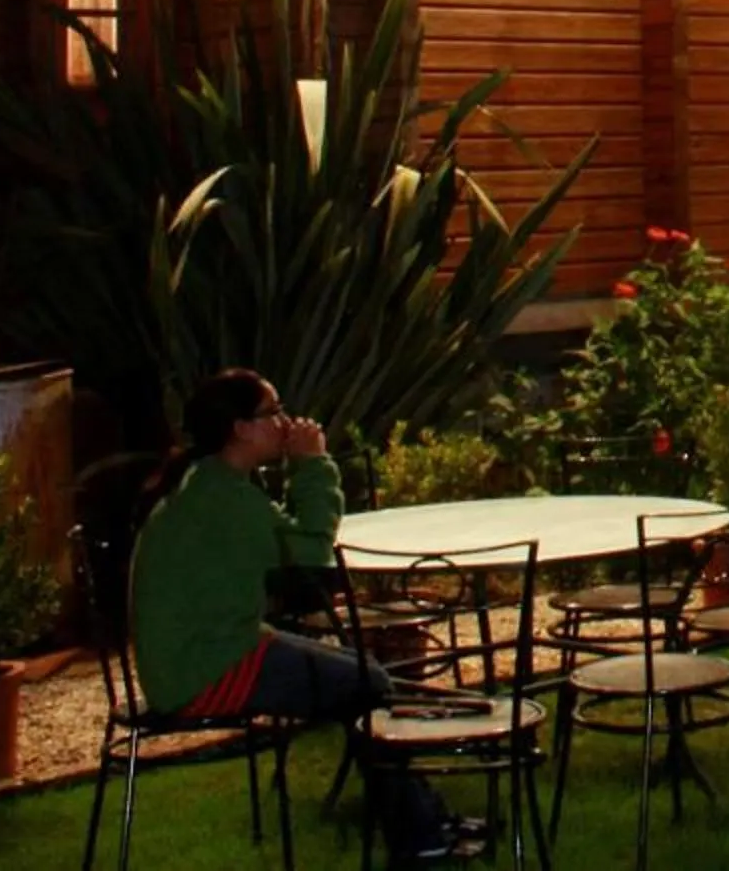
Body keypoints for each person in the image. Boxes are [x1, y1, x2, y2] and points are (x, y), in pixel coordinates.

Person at [131, 369, 476, 862]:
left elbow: (284, 543)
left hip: (211, 650)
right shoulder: (223, 500)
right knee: (366, 683)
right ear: (240, 428)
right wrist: (313, 465)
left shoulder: (211, 486)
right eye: (272, 412)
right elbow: (312, 552)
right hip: (203, 669)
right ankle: (421, 836)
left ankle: (423, 824)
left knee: (360, 676)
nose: (285, 420)